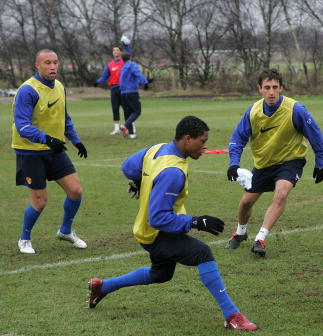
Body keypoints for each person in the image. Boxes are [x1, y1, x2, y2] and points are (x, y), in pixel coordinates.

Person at [87, 116, 257, 331]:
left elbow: (128, 167)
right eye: (202, 141)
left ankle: (103, 287)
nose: (205, 146)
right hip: (157, 231)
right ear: (187, 139)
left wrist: (141, 181)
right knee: (202, 253)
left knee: (161, 274)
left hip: (145, 229)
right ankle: (232, 315)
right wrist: (195, 221)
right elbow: (157, 217)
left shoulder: (158, 149)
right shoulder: (172, 172)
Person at [224, 68, 323, 257]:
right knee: (246, 202)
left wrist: (320, 163)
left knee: (281, 194)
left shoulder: (295, 110)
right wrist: (233, 163)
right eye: (267, 87)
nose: (271, 92)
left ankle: (260, 238)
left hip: (290, 161)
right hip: (264, 164)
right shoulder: (253, 112)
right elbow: (237, 139)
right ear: (260, 89)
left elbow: (316, 136)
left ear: (281, 88)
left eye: (275, 87)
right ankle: (240, 233)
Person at [11, 49, 88, 254]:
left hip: (54, 149)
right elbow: (22, 125)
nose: (53, 66)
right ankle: (24, 239)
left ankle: (66, 230)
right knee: (40, 201)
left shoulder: (60, 87)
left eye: (55, 62)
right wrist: (46, 138)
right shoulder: (28, 90)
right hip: (30, 151)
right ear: (37, 65)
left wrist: (76, 140)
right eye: (47, 62)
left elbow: (64, 117)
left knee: (75, 191)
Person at [94, 36, 133, 135]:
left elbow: (130, 55)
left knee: (126, 109)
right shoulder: (110, 64)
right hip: (114, 89)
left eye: (117, 50)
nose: (115, 52)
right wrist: (98, 82)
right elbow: (104, 76)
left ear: (120, 52)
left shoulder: (124, 62)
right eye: (114, 50)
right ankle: (116, 128)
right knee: (115, 109)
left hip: (123, 89)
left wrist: (126, 45)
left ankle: (129, 127)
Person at [119, 51, 148, 139]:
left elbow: (130, 80)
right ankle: (125, 126)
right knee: (137, 112)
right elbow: (137, 73)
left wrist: (139, 83)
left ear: (122, 60)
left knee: (128, 113)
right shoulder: (132, 65)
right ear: (130, 58)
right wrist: (145, 82)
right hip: (132, 92)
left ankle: (131, 133)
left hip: (123, 93)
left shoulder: (123, 67)